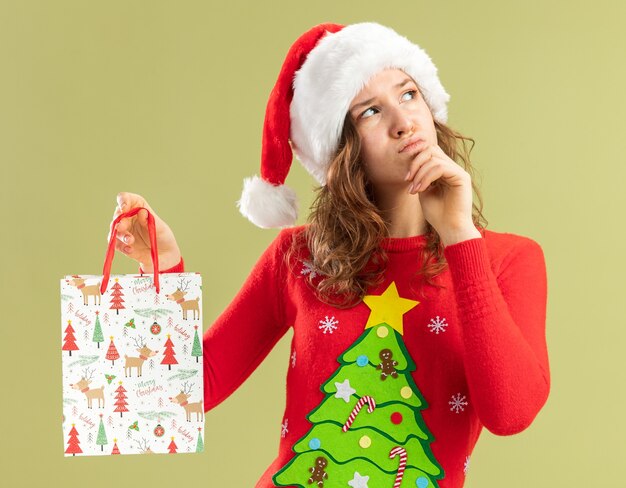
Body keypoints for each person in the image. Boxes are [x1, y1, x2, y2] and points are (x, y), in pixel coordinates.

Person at [109, 22, 549, 488]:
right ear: (343, 148)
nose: (403, 122)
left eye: (409, 94)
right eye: (371, 111)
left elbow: (511, 414)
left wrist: (460, 237)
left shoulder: (507, 259)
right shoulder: (299, 256)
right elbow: (183, 391)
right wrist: (161, 267)